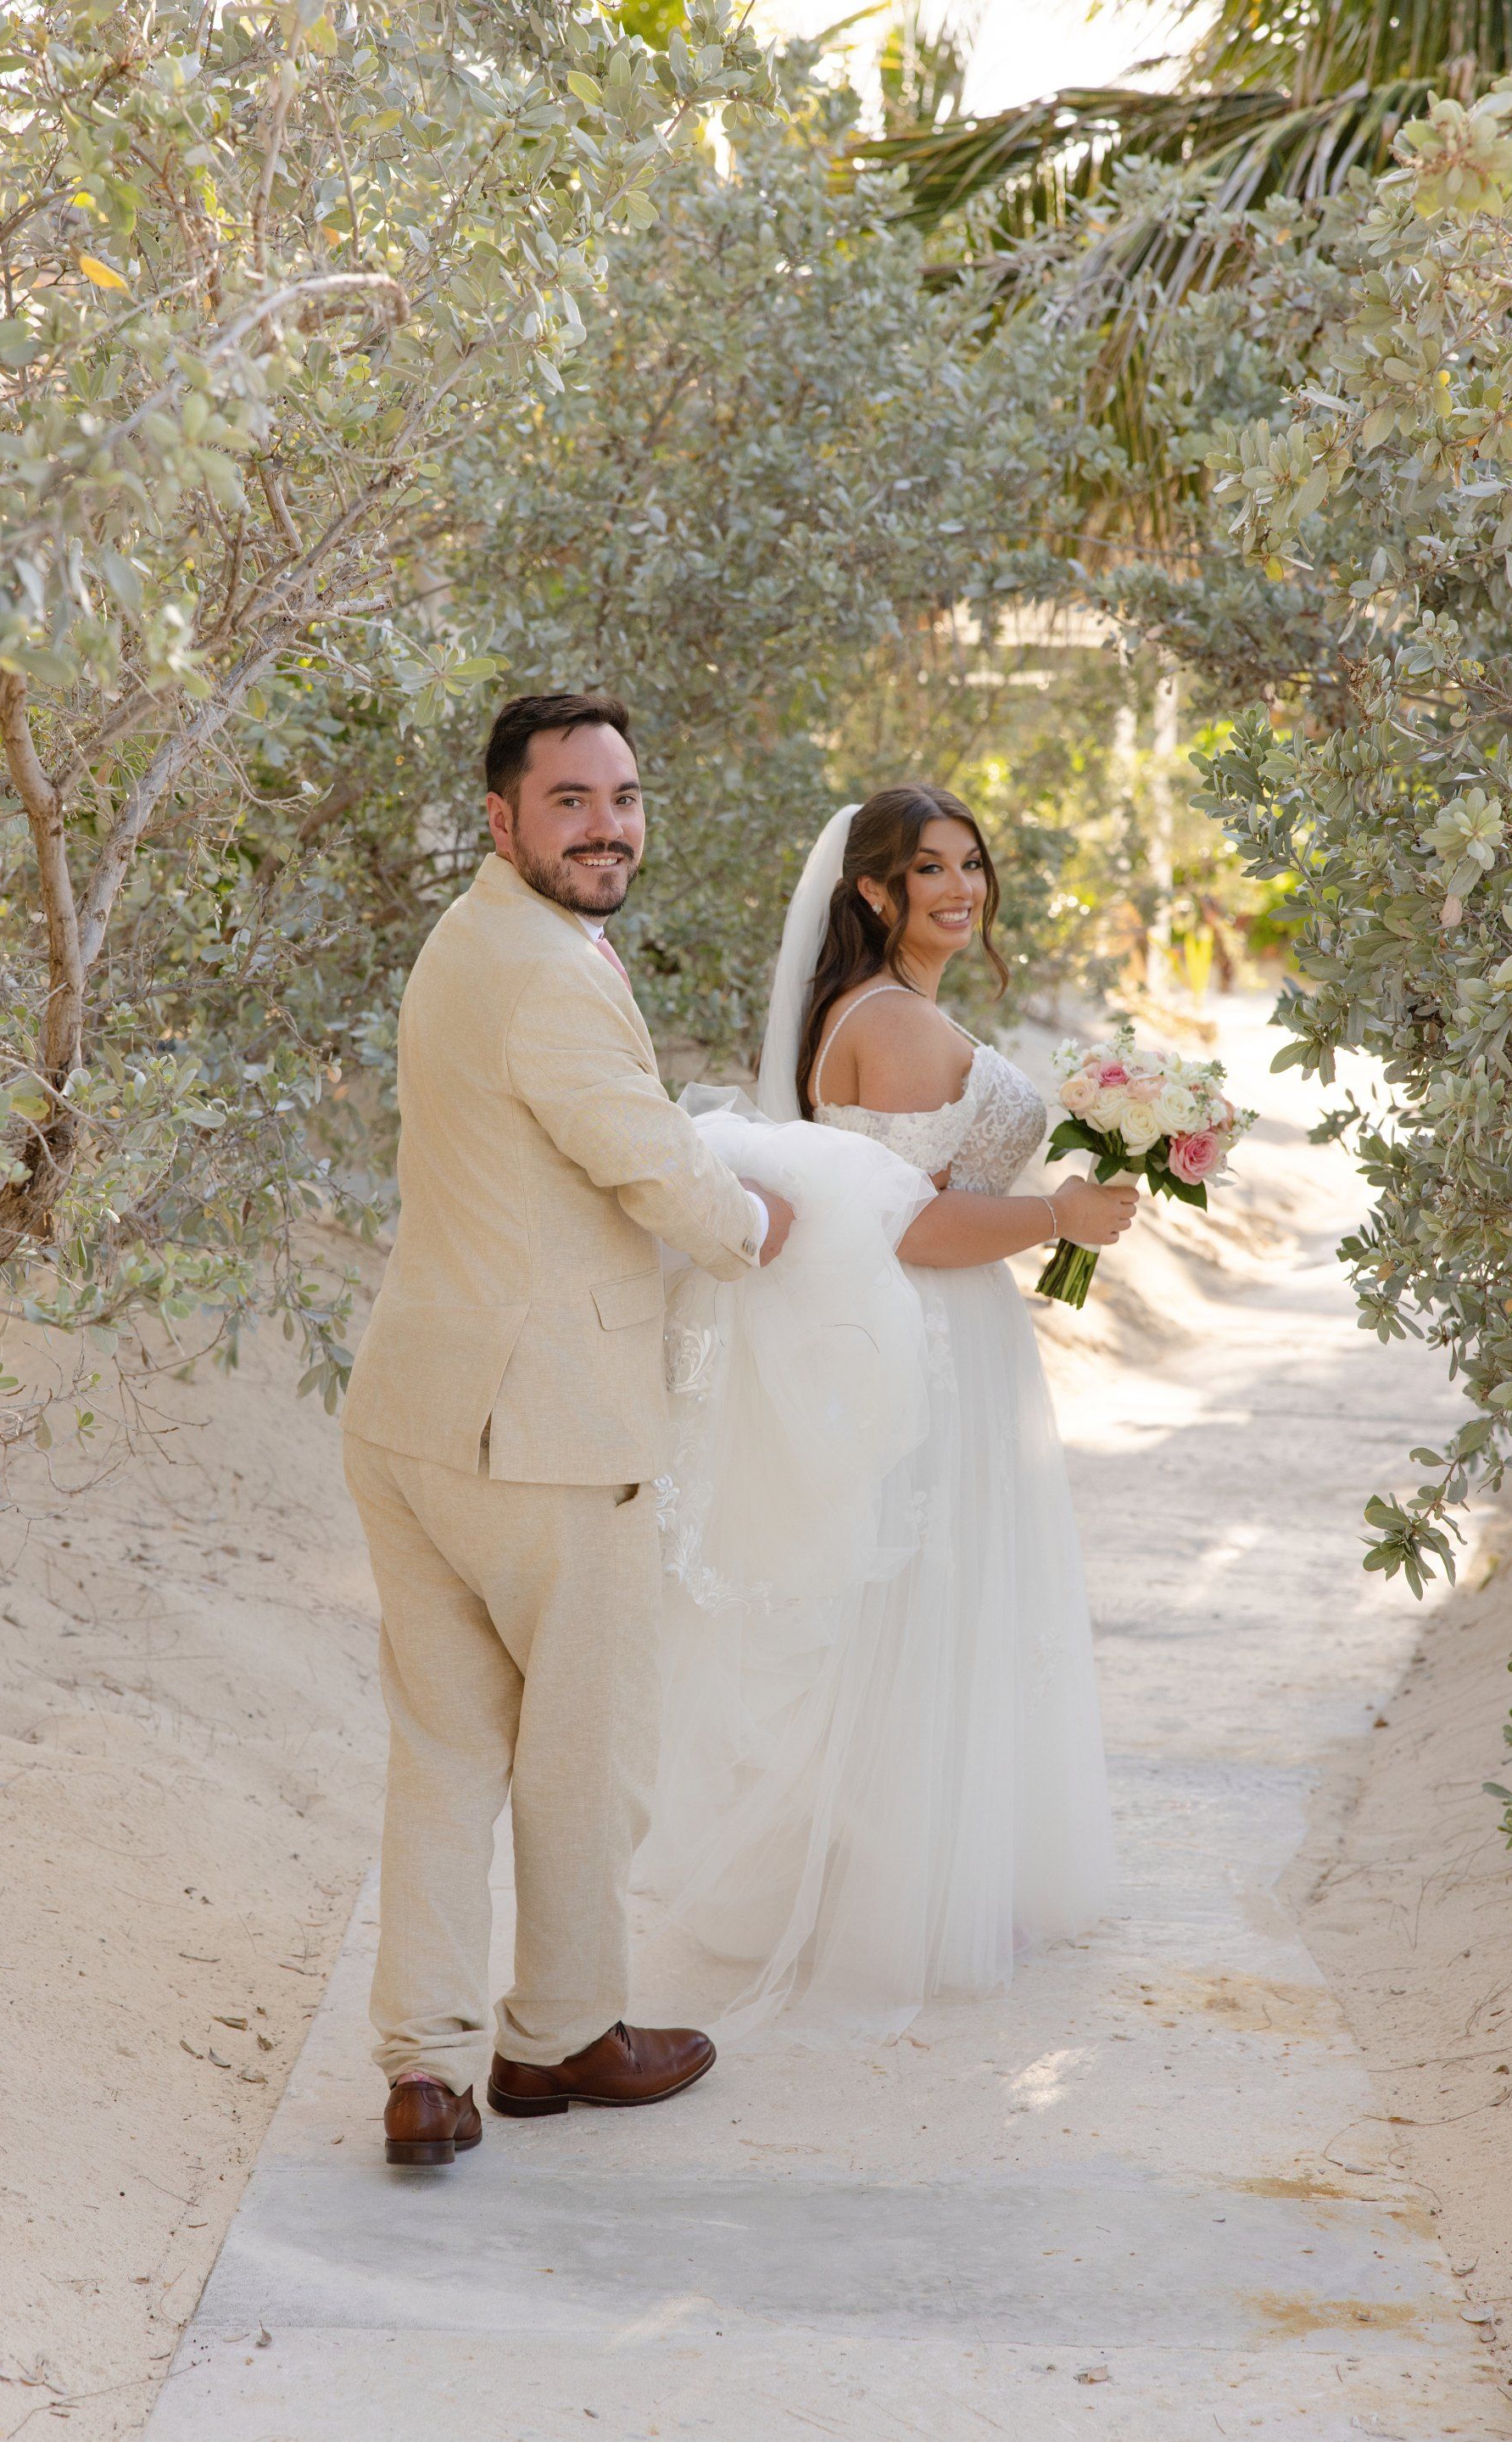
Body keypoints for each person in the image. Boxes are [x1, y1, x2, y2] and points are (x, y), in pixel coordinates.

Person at [341, 691, 795, 2166]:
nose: (609, 826)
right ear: (501, 818)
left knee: (444, 1754)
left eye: (625, 797)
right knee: (590, 1755)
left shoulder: (468, 938)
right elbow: (647, 1163)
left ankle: (423, 2072)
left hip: (413, 1412)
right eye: (573, 802)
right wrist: (750, 1226)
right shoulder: (545, 970)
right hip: (545, 1433)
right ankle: (559, 2039)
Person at [643, 787, 1132, 2042]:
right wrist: (1060, 1218)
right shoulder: (897, 1021)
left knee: (898, 1605)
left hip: (914, 1332)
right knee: (929, 1599)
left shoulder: (866, 1008)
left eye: (973, 864)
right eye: (930, 870)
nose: (961, 889)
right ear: (872, 891)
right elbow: (915, 1222)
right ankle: (908, 1896)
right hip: (932, 1330)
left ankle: (890, 1873)